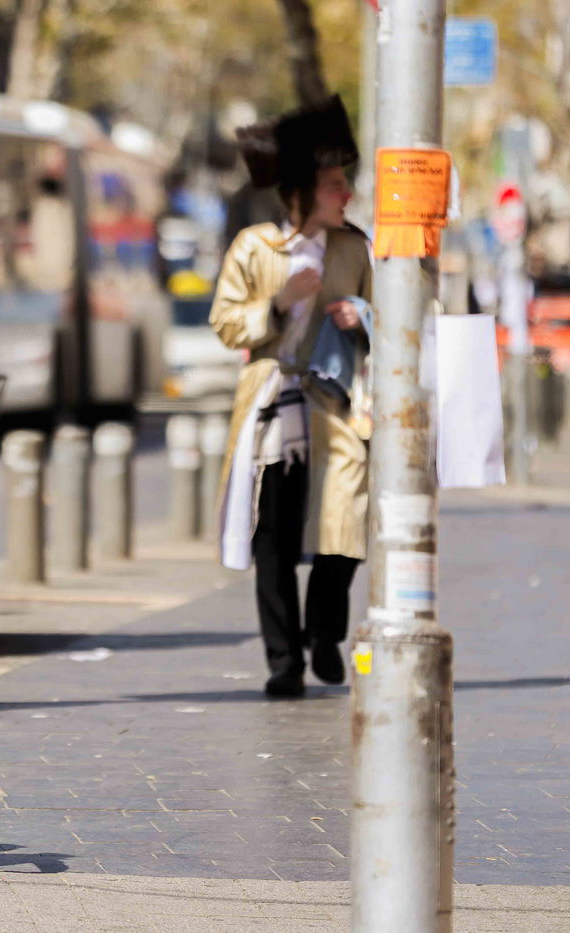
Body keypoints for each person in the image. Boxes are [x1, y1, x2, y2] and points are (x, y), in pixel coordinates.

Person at [210, 95, 372, 699]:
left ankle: (325, 634)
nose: (346, 195)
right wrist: (276, 304)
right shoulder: (256, 248)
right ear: (304, 191)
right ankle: (283, 658)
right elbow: (226, 321)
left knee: (345, 525)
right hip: (272, 407)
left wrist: (361, 315)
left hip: (338, 404)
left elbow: (395, 314)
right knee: (272, 535)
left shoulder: (356, 249)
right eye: (335, 185)